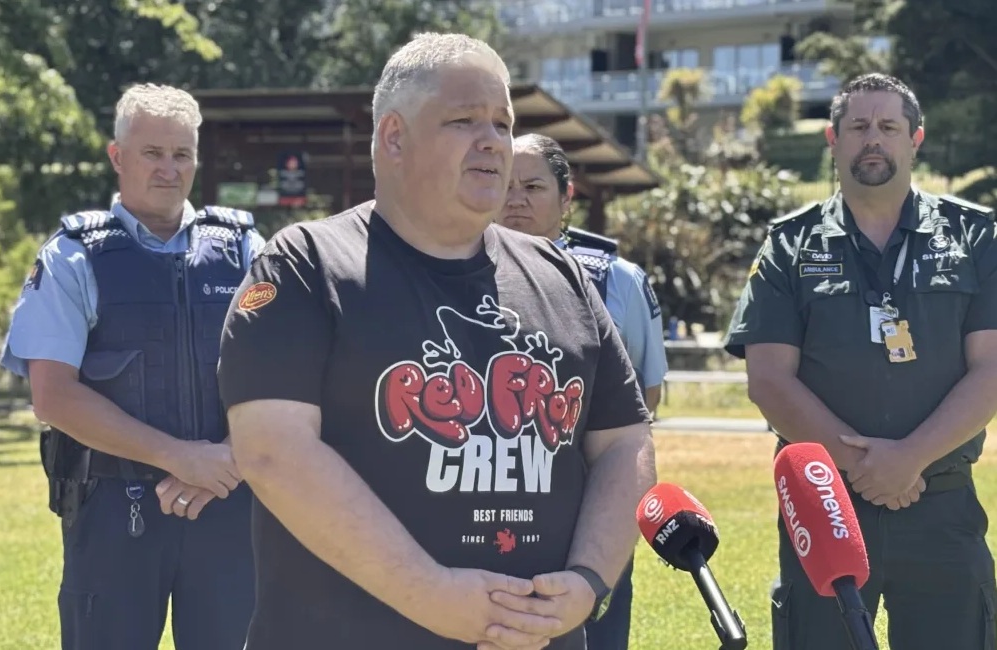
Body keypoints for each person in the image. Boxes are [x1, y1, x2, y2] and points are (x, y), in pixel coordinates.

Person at [217, 32, 657, 650]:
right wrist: (432, 593)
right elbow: (272, 450)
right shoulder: (305, 265)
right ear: (394, 137)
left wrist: (586, 583)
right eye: (463, 120)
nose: (492, 141)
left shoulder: (562, 276)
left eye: (502, 123)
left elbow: (624, 443)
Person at [723, 72, 997, 650]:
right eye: (858, 127)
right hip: (825, 504)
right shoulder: (790, 245)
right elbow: (769, 380)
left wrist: (910, 458)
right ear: (833, 139)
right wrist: (867, 467)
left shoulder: (975, 237)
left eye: (888, 126)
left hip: (941, 499)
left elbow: (991, 369)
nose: (873, 139)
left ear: (915, 138)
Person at [0, 83, 265, 650]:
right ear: (117, 157)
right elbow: (54, 397)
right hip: (114, 514)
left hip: (226, 503)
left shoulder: (244, 249)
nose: (169, 169)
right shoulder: (73, 255)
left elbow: (286, 373)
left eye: (182, 154)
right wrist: (180, 457)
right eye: (152, 153)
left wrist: (229, 462)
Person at [497, 132, 669, 650]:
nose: (516, 200)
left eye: (532, 186)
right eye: (504, 185)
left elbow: (647, 394)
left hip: (593, 500)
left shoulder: (617, 280)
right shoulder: (450, 269)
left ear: (566, 196)